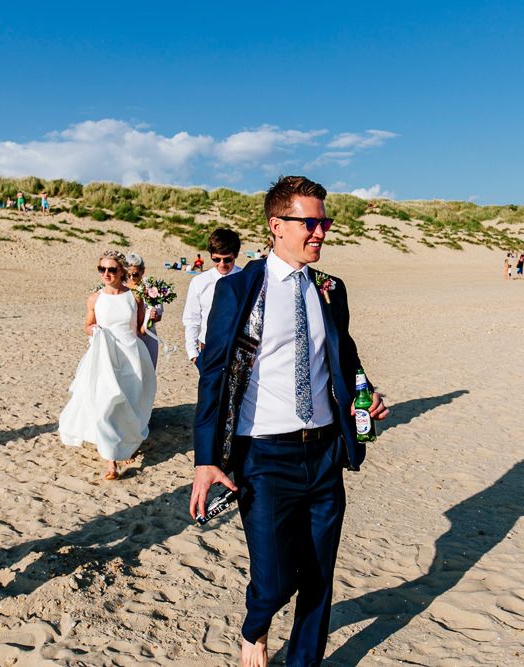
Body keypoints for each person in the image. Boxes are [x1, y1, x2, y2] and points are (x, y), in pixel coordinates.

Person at [189, 176, 389, 666]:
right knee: (276, 577)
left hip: (324, 450)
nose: (320, 231)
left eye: (325, 222)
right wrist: (205, 459)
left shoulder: (330, 288)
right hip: (264, 454)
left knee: (320, 572)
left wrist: (365, 394)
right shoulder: (239, 290)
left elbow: (344, 358)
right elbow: (213, 376)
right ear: (277, 226)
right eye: (311, 222)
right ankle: (255, 629)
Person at [59, 250, 156, 480]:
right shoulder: (95, 298)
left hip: (131, 355)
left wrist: (151, 319)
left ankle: (125, 445)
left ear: (121, 271)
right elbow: (87, 324)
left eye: (111, 269)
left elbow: (140, 331)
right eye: (102, 269)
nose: (106, 273)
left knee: (129, 403)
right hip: (104, 356)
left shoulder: (134, 296)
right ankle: (111, 462)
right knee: (104, 404)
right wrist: (93, 330)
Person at [182, 228, 242, 367]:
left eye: (227, 259)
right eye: (216, 259)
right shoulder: (199, 282)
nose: (222, 264)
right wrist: (193, 354)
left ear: (236, 255)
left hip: (239, 350)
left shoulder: (245, 279)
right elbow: (192, 319)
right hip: (208, 349)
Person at [125, 252, 163, 368]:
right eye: (128, 274)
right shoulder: (120, 288)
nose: (131, 278)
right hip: (127, 337)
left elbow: (159, 316)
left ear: (143, 271)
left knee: (148, 373)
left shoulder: (151, 288)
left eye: (135, 274)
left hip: (147, 336)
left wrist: (152, 317)